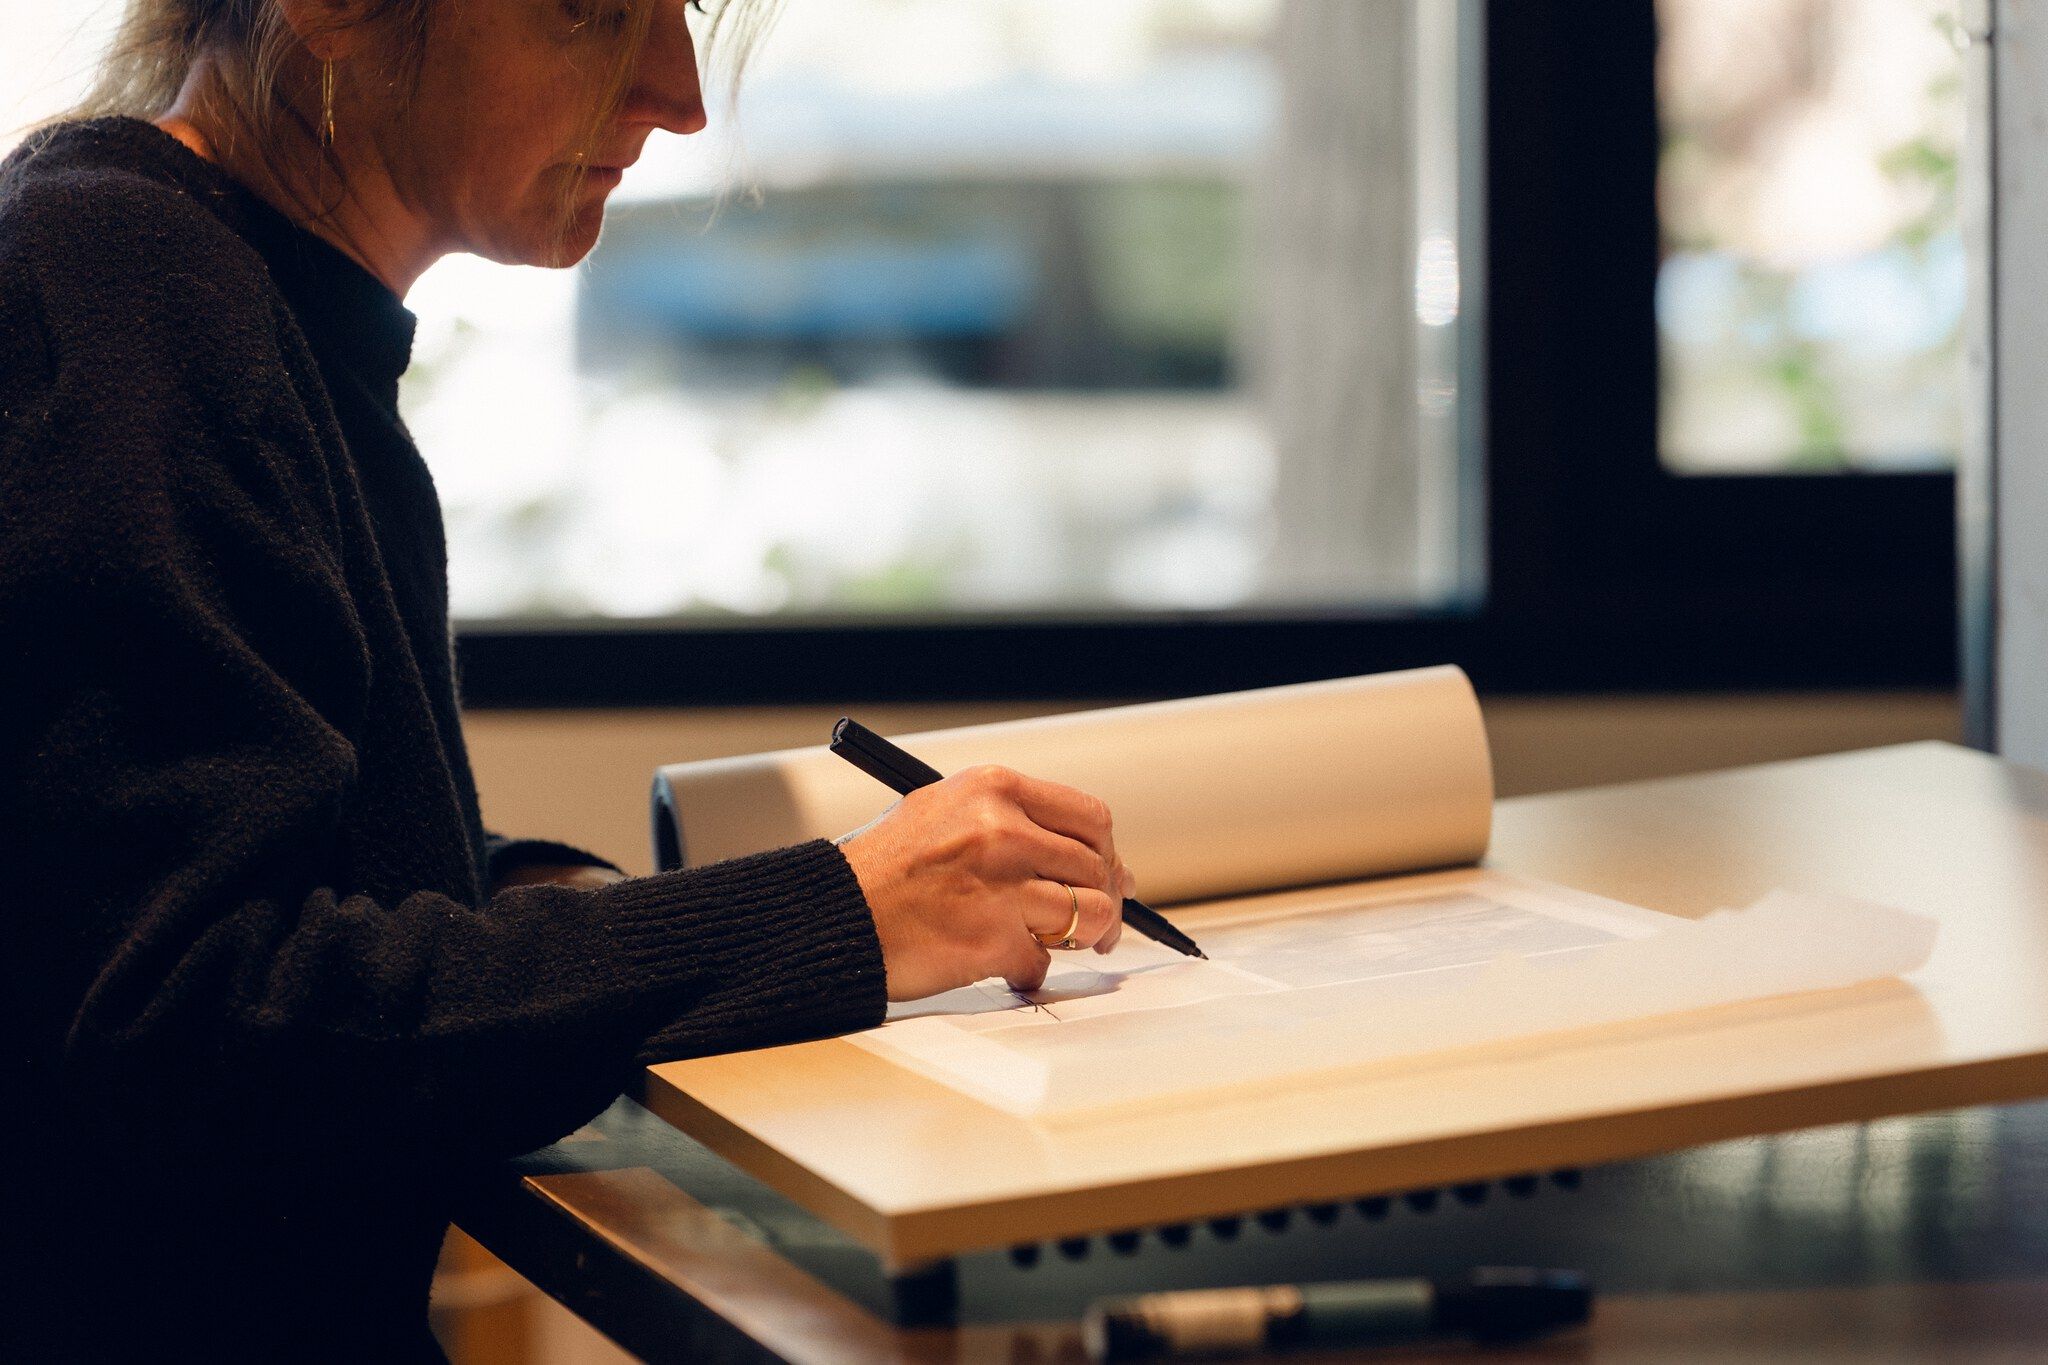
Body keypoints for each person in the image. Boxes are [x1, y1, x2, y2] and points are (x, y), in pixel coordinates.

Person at [0, 0, 1134, 1356]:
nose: (679, 91)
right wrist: (831, 914)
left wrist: (562, 899)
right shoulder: (124, 294)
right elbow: (200, 1022)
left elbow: (277, 852)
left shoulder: (241, 297)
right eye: (598, 9)